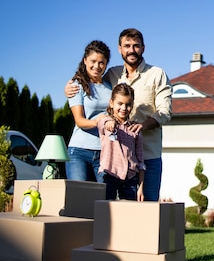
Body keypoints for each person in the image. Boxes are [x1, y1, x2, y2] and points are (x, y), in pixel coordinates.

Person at [66, 28, 172, 201]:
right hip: (117, 155)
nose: (131, 50)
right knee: (106, 204)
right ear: (120, 49)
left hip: (148, 155)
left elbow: (165, 111)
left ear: (143, 48)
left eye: (136, 46)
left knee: (148, 207)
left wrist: (143, 126)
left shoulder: (157, 74)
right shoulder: (112, 75)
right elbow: (91, 80)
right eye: (127, 45)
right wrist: (69, 87)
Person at [65, 40, 112, 183]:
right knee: (80, 198)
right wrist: (98, 121)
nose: (96, 66)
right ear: (85, 60)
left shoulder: (110, 87)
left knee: (103, 200)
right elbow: (79, 121)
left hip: (104, 152)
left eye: (101, 63)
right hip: (79, 152)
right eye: (93, 61)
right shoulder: (76, 85)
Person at [97, 83, 145, 201]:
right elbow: (103, 124)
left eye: (128, 105)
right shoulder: (105, 121)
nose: (124, 108)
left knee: (129, 212)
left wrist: (141, 187)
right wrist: (110, 122)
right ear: (111, 103)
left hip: (130, 177)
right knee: (106, 210)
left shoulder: (135, 129)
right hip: (109, 175)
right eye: (120, 104)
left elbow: (140, 161)